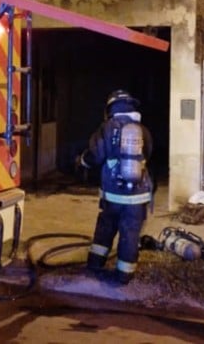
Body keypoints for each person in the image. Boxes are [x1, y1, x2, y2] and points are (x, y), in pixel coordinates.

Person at [79, 89, 154, 285]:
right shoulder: (142, 130)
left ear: (110, 108)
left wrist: (82, 162)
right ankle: (124, 276)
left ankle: (95, 264)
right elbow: (149, 153)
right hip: (137, 197)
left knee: (105, 227)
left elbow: (95, 155)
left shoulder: (107, 127)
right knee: (130, 233)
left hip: (112, 195)